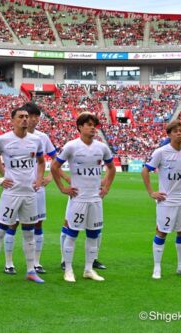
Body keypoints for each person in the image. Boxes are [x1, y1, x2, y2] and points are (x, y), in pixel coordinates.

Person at [2, 102, 68, 275]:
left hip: (36, 189)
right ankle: (9, 263)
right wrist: (2, 176)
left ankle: (36, 263)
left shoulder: (42, 137)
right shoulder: (9, 138)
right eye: (30, 116)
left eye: (36, 116)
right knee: (12, 224)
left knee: (37, 224)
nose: (33, 120)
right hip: (16, 189)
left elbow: (56, 159)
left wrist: (49, 177)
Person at [0, 107, 45, 285]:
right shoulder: (3, 140)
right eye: (21, 117)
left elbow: (41, 162)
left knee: (29, 233)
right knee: (1, 230)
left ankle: (31, 270)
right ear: (12, 120)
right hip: (11, 194)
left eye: (26, 117)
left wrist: (39, 179)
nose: (25, 119)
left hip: (30, 194)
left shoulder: (36, 140)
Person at [51, 112, 115, 283]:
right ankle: (69, 269)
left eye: (94, 124)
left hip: (95, 199)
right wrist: (62, 187)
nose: (92, 127)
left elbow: (111, 167)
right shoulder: (71, 146)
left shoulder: (102, 147)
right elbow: (54, 166)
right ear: (80, 127)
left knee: (93, 235)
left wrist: (106, 187)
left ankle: (88, 269)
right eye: (88, 124)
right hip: (78, 198)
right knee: (72, 234)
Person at [141, 120, 181, 280]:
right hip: (166, 200)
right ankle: (157, 267)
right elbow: (145, 171)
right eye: (175, 131)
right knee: (162, 231)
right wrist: (151, 192)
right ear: (169, 134)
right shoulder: (161, 152)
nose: (179, 133)